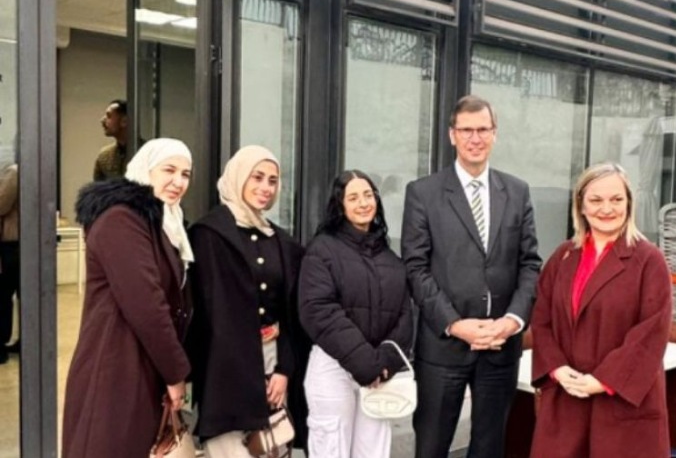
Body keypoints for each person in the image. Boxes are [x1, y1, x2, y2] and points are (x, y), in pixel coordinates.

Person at [401, 95, 542, 458]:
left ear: (495, 133)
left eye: (483, 129)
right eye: (466, 130)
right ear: (452, 135)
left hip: (500, 347)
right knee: (431, 447)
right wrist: (454, 324)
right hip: (443, 346)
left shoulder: (517, 192)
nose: (475, 138)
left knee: (489, 448)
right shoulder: (423, 193)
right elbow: (415, 268)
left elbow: (529, 264)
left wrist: (512, 321)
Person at [529, 162, 673, 458]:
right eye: (596, 200)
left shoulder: (649, 260)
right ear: (581, 206)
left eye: (616, 199)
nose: (606, 209)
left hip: (622, 402)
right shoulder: (563, 256)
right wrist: (556, 368)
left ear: (628, 204)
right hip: (568, 396)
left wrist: (604, 380)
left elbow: (652, 331)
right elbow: (541, 320)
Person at [62, 138, 194, 458]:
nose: (178, 181)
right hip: (117, 366)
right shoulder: (121, 220)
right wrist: (176, 373)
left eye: (186, 174)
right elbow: (147, 306)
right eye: (169, 170)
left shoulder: (165, 222)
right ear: (146, 169)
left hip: (141, 365)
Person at [188, 145, 310, 456]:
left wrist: (284, 369)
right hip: (224, 369)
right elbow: (202, 315)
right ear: (238, 176)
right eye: (257, 177)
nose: (266, 187)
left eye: (272, 180)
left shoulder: (282, 242)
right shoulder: (208, 235)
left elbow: (290, 314)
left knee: (272, 448)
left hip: (270, 363)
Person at [299, 170, 413, 458]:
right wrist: (364, 362)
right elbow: (318, 310)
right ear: (340, 205)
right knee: (331, 448)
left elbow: (404, 314)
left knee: (373, 451)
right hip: (333, 367)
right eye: (353, 197)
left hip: (378, 373)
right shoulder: (322, 249)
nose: (363, 203)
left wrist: (385, 361)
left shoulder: (390, 258)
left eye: (368, 195)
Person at [0, 162, 18, 364]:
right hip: (23, 241)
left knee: (3, 294)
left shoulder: (13, 173)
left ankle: (1, 344)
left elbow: (2, 205)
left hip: (12, 241)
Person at [93, 99, 128, 181]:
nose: (102, 120)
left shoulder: (146, 151)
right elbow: (98, 187)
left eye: (109, 116)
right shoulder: (104, 156)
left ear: (124, 121)